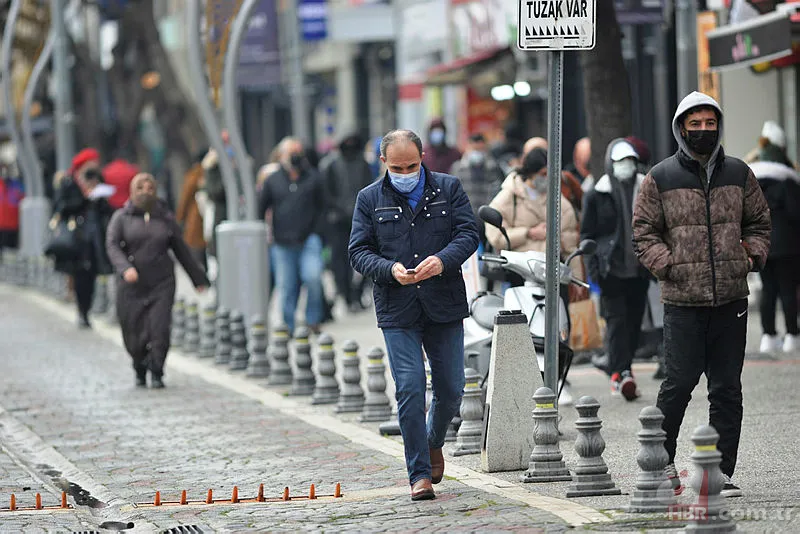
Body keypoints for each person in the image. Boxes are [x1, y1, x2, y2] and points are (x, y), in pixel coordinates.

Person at [633, 92, 771, 498]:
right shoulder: (660, 177)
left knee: (727, 387)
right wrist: (670, 265)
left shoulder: (740, 173)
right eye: (695, 124)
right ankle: (660, 465)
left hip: (732, 298)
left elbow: (760, 223)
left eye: (710, 123)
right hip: (682, 302)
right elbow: (643, 234)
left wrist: (749, 257)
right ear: (681, 128)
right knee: (677, 383)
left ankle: (720, 473)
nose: (703, 131)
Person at [349, 129, 479, 501]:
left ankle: (433, 439)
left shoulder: (449, 188)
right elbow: (358, 251)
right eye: (396, 167)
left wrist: (442, 261)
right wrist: (389, 269)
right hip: (397, 306)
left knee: (452, 388)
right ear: (383, 163)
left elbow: (469, 234)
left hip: (443, 301)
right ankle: (418, 474)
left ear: (422, 158)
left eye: (411, 165)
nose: (405, 172)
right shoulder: (369, 198)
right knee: (408, 386)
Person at [483, 147, 585, 404]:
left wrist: (577, 276)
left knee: (560, 327)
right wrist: (528, 233)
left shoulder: (557, 197)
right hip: (521, 271)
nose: (545, 178)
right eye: (541, 173)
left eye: (549, 173)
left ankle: (558, 380)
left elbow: (572, 236)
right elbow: (494, 233)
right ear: (530, 172)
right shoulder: (510, 194)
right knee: (523, 327)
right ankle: (525, 379)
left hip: (553, 273)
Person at [106, 173, 209, 388]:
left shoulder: (165, 219)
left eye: (150, 187)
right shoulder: (121, 218)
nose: (145, 192)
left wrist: (198, 279)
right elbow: (113, 246)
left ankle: (157, 370)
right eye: (140, 188)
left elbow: (181, 250)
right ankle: (139, 365)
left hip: (161, 283)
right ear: (132, 192)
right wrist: (125, 268)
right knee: (134, 332)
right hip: (131, 286)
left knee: (159, 329)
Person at [581, 139, 651, 401]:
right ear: (611, 164)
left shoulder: (646, 188)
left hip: (640, 269)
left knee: (634, 323)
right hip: (611, 270)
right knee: (616, 322)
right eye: (621, 162)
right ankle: (620, 373)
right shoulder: (596, 193)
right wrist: (593, 269)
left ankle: (623, 367)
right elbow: (588, 234)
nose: (626, 167)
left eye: (630, 161)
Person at [258, 137, 326, 335]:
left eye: (298, 152)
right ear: (281, 156)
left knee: (313, 277)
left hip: (309, 239)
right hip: (282, 243)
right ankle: (288, 325)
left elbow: (323, 206)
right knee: (286, 286)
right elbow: (261, 207)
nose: (295, 157)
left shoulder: (313, 177)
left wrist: (318, 231)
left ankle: (313, 319)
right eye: (291, 153)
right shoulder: (272, 180)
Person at [51, 148, 115, 328]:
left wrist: (100, 194)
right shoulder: (68, 182)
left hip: (95, 235)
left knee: (93, 273)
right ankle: (83, 312)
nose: (94, 166)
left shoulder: (98, 180)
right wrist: (85, 197)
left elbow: (104, 208)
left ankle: (87, 308)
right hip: (77, 236)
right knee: (81, 274)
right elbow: (62, 207)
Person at [749, 138, 800, 353]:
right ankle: (791, 335)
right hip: (786, 246)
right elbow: (796, 213)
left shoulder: (752, 184)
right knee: (788, 290)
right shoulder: (787, 182)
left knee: (768, 291)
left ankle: (768, 335)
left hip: (762, 246)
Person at [321, 133, 375, 312]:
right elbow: (327, 193)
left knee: (365, 257)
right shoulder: (331, 165)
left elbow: (369, 188)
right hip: (339, 222)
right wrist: (340, 209)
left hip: (361, 220)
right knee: (340, 262)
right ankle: (345, 293)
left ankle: (358, 293)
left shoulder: (363, 164)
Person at [449, 133, 505, 245]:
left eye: (480, 149)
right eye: (474, 149)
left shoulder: (494, 168)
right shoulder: (458, 168)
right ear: (468, 147)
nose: (477, 153)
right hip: (465, 220)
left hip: (489, 221)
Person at [176, 149, 209, 272]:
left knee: (199, 247)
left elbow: (185, 197)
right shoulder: (210, 171)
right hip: (205, 214)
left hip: (196, 215)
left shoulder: (195, 173)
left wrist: (180, 217)